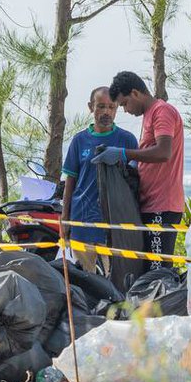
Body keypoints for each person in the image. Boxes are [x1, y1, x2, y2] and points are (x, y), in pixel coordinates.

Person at [96, 71, 185, 270]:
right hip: (149, 203)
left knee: (157, 268)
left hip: (162, 204)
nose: (125, 110)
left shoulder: (162, 112)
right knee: (145, 267)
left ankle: (163, 292)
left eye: (125, 103)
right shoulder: (149, 115)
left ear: (135, 93)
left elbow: (164, 152)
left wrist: (124, 154)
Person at [60, 86, 138, 273]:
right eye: (101, 106)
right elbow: (70, 182)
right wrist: (65, 218)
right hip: (82, 220)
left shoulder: (127, 140)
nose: (106, 112)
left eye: (111, 107)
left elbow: (135, 182)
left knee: (116, 278)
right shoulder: (79, 141)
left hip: (115, 222)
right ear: (91, 107)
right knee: (86, 278)